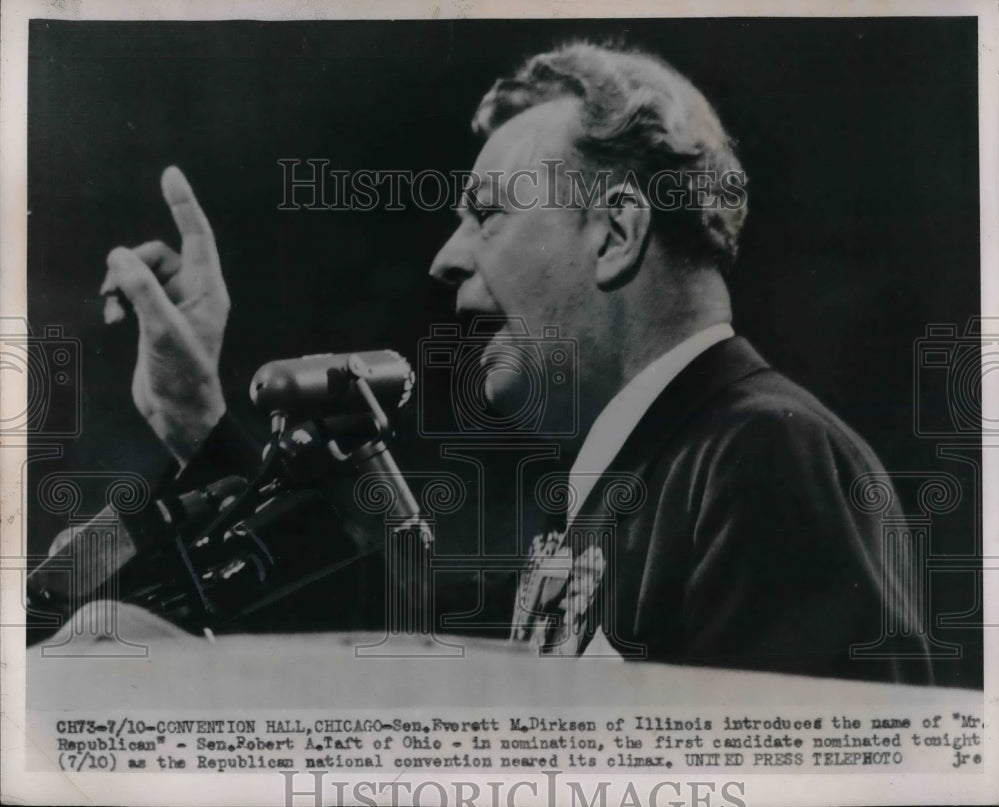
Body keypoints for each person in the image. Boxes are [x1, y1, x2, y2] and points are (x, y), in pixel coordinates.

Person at [98, 41, 933, 683]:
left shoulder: (765, 457)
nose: (445, 257)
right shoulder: (637, 476)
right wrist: (194, 415)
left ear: (616, 232)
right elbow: (398, 664)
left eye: (486, 213)